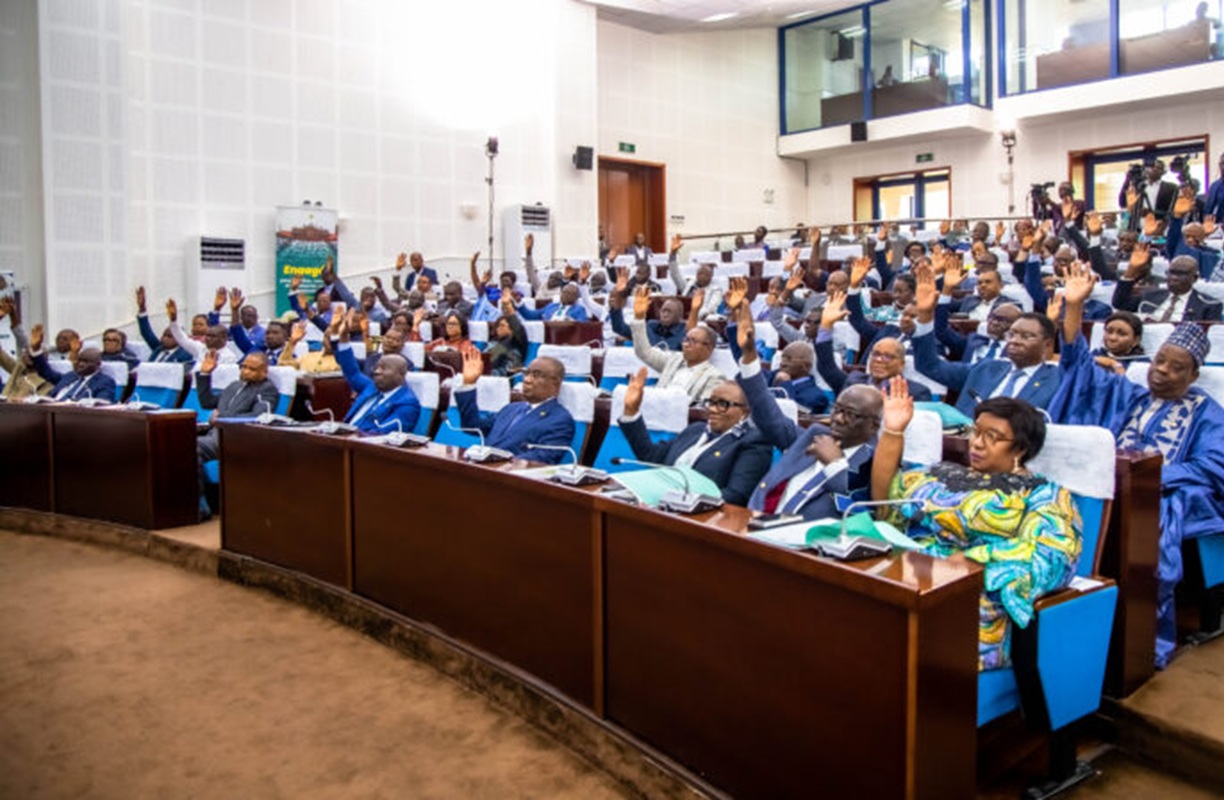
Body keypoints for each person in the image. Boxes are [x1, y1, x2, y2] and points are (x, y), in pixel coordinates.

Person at [1051, 263, 1224, 668]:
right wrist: (1073, 309)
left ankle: (1143, 641)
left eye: (1175, 367)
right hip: (1113, 484)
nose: (1161, 371)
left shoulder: (1208, 412)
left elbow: (1214, 465)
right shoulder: (1131, 395)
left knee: (1158, 523)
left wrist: (1150, 475)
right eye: (1159, 361)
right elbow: (1079, 369)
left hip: (1168, 494)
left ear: (1194, 375)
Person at [871, 378, 1082, 671]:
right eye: (976, 431)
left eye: (993, 436)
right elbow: (886, 505)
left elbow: (1052, 557)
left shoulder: (1043, 495)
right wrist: (894, 431)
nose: (977, 442)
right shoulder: (940, 475)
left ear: (1020, 448)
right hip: (908, 579)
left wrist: (956, 565)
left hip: (969, 603)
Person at [735, 310, 883, 520]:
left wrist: (835, 464)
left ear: (874, 426)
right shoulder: (815, 434)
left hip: (809, 542)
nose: (839, 419)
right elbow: (769, 417)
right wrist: (749, 356)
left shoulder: (875, 461)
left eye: (852, 415)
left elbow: (860, 512)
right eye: (838, 410)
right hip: (757, 521)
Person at [911, 264, 1061, 415]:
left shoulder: (1056, 380)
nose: (1015, 340)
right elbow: (930, 366)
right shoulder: (986, 368)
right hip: (967, 434)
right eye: (1012, 334)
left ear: (1047, 343)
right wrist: (925, 316)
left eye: (1026, 336)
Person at [618, 367, 772, 505]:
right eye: (711, 402)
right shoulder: (695, 430)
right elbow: (651, 457)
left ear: (745, 412)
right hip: (661, 506)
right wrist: (631, 411)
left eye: (723, 404)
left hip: (702, 519)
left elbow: (736, 495)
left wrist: (682, 503)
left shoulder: (753, 442)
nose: (712, 409)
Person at [194, 350, 279, 519]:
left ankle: (200, 504)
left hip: (236, 439)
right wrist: (205, 374)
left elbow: (257, 417)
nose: (246, 371)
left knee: (190, 445)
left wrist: (221, 417)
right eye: (244, 367)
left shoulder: (267, 389)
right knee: (176, 443)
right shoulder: (234, 385)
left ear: (264, 372)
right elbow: (207, 402)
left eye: (252, 369)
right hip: (214, 434)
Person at [452, 349, 575, 464]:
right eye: (526, 373)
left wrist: (498, 462)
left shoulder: (560, 420)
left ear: (555, 384)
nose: (527, 380)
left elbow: (543, 458)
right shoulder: (511, 408)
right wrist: (469, 384)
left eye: (536, 375)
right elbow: (472, 426)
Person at [815, 292, 933, 401]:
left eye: (888, 356)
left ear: (901, 364)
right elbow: (827, 368)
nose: (879, 360)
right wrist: (826, 326)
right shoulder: (855, 381)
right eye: (875, 354)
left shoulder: (916, 392)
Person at [627, 286, 724, 403]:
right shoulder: (673, 360)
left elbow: (703, 410)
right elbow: (644, 352)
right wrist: (639, 318)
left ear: (708, 348)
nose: (686, 345)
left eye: (693, 341)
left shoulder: (713, 377)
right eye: (686, 340)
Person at [331, 313, 420, 435]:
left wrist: (347, 436)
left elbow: (381, 435)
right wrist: (344, 338)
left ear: (401, 375)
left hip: (360, 448)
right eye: (377, 367)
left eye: (384, 368)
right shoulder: (372, 386)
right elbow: (352, 372)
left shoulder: (407, 404)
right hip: (343, 437)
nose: (376, 371)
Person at [1112, 245, 1222, 322]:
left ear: (1195, 278)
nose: (1174, 278)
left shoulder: (1209, 305)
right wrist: (1131, 270)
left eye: (1181, 274)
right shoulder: (1150, 295)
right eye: (1171, 273)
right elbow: (1120, 303)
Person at [608, 270, 684, 350]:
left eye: (669, 312)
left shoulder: (684, 332)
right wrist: (617, 305)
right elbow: (620, 328)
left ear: (679, 316)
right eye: (663, 311)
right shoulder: (650, 326)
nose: (665, 315)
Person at [31, 337, 117, 403]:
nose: (81, 364)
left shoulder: (105, 382)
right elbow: (46, 372)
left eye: (86, 362)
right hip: (51, 409)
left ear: (98, 365)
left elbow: (102, 404)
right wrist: (36, 351)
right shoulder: (70, 376)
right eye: (80, 360)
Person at [0, 302, 52, 400]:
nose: (27, 355)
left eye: (33, 354)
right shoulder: (19, 368)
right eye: (26, 353)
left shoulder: (47, 382)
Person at [485, 296, 529, 376]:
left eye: (502, 326)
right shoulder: (492, 343)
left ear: (512, 328)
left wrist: (509, 307)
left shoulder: (514, 347)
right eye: (497, 326)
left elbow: (509, 371)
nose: (498, 329)